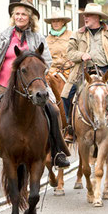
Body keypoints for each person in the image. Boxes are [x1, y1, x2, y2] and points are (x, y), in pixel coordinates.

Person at [0, 0, 71, 174]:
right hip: (3, 85)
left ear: (30, 18)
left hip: (32, 85)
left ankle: (58, 153)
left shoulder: (38, 37)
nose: (19, 17)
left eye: (23, 14)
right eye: (17, 14)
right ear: (13, 17)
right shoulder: (3, 36)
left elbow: (47, 61)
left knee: (54, 110)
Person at [61, 3, 108, 144]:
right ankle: (70, 126)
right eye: (84, 15)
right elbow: (69, 53)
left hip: (107, 69)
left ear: (98, 17)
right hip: (83, 70)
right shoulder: (78, 34)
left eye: (88, 15)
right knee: (66, 95)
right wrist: (81, 55)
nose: (85, 17)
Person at [44, 9, 74, 142]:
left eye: (58, 20)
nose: (55, 23)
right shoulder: (46, 39)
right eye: (53, 21)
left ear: (63, 22)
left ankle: (71, 124)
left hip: (68, 70)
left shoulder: (71, 36)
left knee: (72, 94)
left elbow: (76, 52)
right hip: (50, 70)